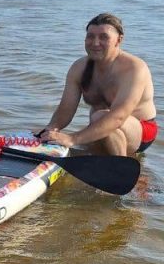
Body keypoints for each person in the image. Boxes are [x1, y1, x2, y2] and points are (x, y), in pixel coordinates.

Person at [36, 13, 156, 157]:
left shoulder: (134, 68)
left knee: (99, 117)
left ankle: (121, 169)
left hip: (141, 130)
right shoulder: (79, 67)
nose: (95, 42)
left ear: (119, 40)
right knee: (89, 138)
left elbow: (119, 117)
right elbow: (65, 109)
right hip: (101, 128)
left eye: (104, 37)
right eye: (90, 36)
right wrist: (49, 131)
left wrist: (72, 138)